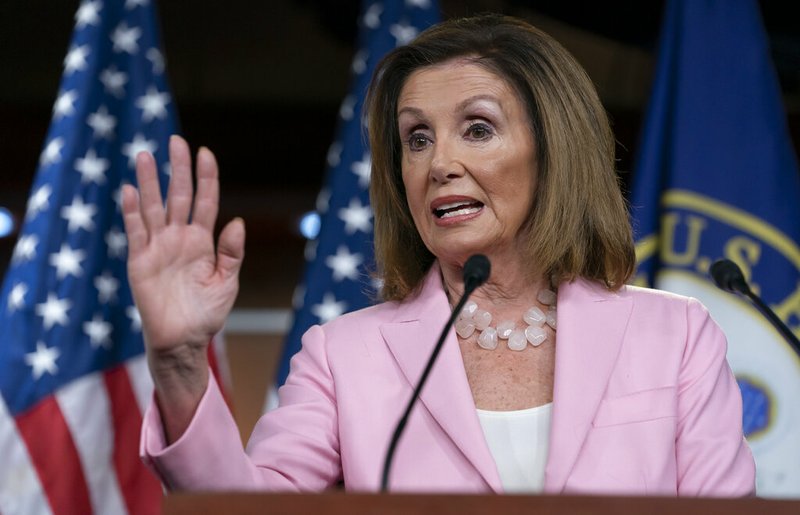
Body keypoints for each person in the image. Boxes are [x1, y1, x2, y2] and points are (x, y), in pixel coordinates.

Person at [123, 14, 755, 496]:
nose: (438, 164)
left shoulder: (673, 335)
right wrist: (180, 364)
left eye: (477, 129)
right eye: (416, 138)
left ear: (554, 151)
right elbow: (253, 511)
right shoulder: (343, 356)